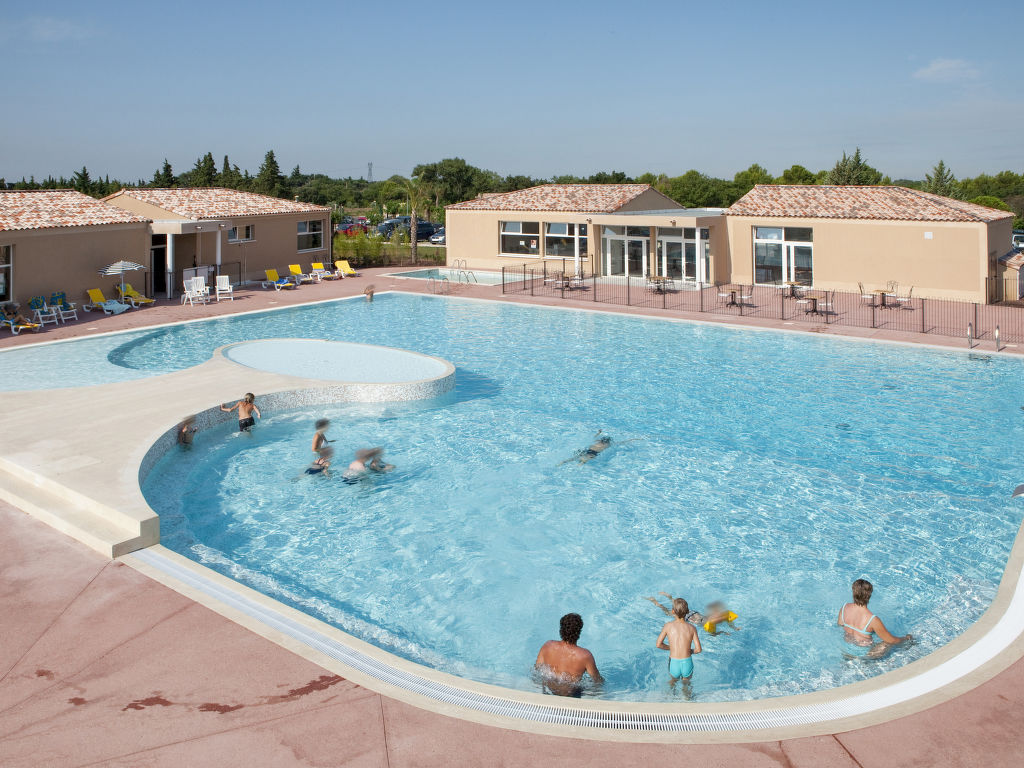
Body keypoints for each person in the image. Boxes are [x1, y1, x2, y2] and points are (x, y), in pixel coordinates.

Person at [838, 578, 912, 659]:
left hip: (845, 649)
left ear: (853, 592)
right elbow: (892, 640)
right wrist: (906, 638)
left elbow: (840, 625)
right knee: (887, 643)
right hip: (864, 655)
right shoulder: (872, 619)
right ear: (869, 595)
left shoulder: (844, 608)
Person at [534, 613, 602, 697]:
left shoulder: (548, 645)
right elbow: (597, 681)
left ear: (561, 629)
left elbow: (537, 668)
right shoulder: (585, 655)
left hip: (549, 691)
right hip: (571, 695)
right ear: (579, 632)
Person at [656, 597, 702, 682]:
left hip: (674, 663)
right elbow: (698, 650)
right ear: (688, 612)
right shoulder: (692, 628)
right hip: (687, 663)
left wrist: (671, 648)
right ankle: (686, 695)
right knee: (686, 686)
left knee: (672, 683)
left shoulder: (668, 626)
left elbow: (658, 645)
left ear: (673, 611)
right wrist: (690, 651)